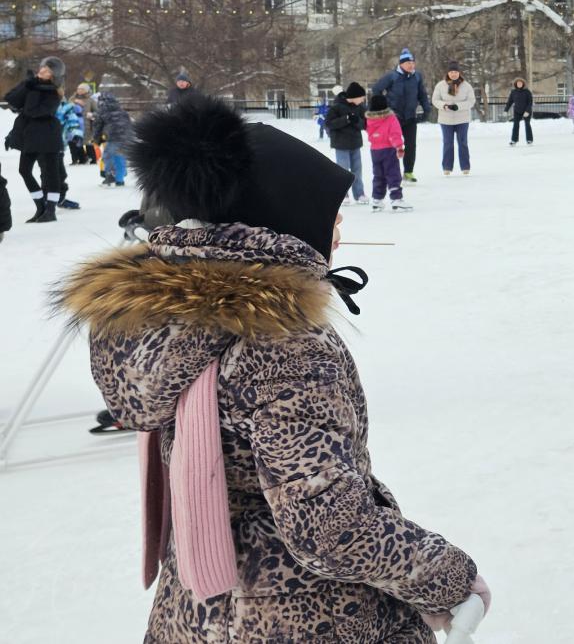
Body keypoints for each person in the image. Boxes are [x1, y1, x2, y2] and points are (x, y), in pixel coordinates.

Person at [52, 94, 487, 639]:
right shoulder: (280, 343)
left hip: (198, 613)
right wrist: (447, 579)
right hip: (304, 617)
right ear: (287, 219)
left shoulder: (166, 322)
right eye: (331, 214)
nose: (340, 230)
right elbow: (329, 523)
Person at [5, 57, 71, 223]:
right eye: (42, 68)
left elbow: (33, 110)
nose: (42, 71)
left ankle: (51, 209)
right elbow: (11, 99)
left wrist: (32, 90)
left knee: (51, 174)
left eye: (47, 70)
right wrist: (26, 85)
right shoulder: (32, 85)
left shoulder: (54, 92)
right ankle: (40, 207)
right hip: (29, 136)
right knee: (24, 170)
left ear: (53, 75)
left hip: (47, 135)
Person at [370, 48, 434, 182]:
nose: (411, 65)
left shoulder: (417, 76)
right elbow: (376, 89)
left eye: (413, 62)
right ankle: (391, 172)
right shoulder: (392, 76)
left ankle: (408, 172)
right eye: (408, 63)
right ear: (401, 64)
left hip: (410, 117)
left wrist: (427, 109)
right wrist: (383, 107)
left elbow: (422, 94)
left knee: (411, 145)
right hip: (394, 118)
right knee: (393, 145)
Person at [323, 82, 368, 205]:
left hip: (355, 144)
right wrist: (346, 119)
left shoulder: (360, 107)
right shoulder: (337, 107)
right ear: (355, 97)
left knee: (357, 171)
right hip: (341, 144)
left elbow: (365, 124)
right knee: (343, 171)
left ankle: (359, 194)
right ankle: (344, 195)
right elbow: (329, 123)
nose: (363, 100)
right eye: (362, 97)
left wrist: (356, 120)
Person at [365, 93, 411, 212]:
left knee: (378, 175)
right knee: (393, 173)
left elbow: (369, 133)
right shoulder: (390, 118)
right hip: (388, 150)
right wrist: (399, 147)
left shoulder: (369, 119)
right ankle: (396, 198)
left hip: (375, 151)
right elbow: (395, 134)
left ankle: (377, 199)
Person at [433, 64, 474, 175]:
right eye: (451, 72)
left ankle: (465, 167)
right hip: (445, 119)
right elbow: (435, 100)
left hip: (462, 119)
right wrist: (444, 105)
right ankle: (447, 167)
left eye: (455, 72)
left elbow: (471, 101)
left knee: (462, 143)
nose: (453, 74)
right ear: (448, 73)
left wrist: (458, 106)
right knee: (448, 143)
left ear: (459, 73)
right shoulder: (440, 85)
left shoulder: (466, 86)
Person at [92, 92, 135, 187]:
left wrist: (96, 139)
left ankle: (110, 175)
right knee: (120, 156)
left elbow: (97, 127)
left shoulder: (102, 111)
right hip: (127, 137)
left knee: (108, 156)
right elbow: (129, 124)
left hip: (114, 137)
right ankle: (119, 179)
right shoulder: (121, 110)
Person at [59, 92, 90, 165]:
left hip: (72, 128)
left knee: (73, 144)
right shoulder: (74, 107)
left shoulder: (69, 108)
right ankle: (82, 158)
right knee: (77, 143)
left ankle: (77, 159)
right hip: (75, 127)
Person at [505, 78, 534, 147]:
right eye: (518, 83)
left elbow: (530, 102)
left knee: (527, 124)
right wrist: (506, 110)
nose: (519, 84)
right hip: (517, 111)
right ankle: (514, 140)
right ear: (516, 84)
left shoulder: (527, 92)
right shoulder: (513, 92)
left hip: (526, 111)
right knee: (515, 125)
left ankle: (529, 140)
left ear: (523, 84)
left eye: (520, 83)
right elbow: (509, 102)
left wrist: (527, 111)